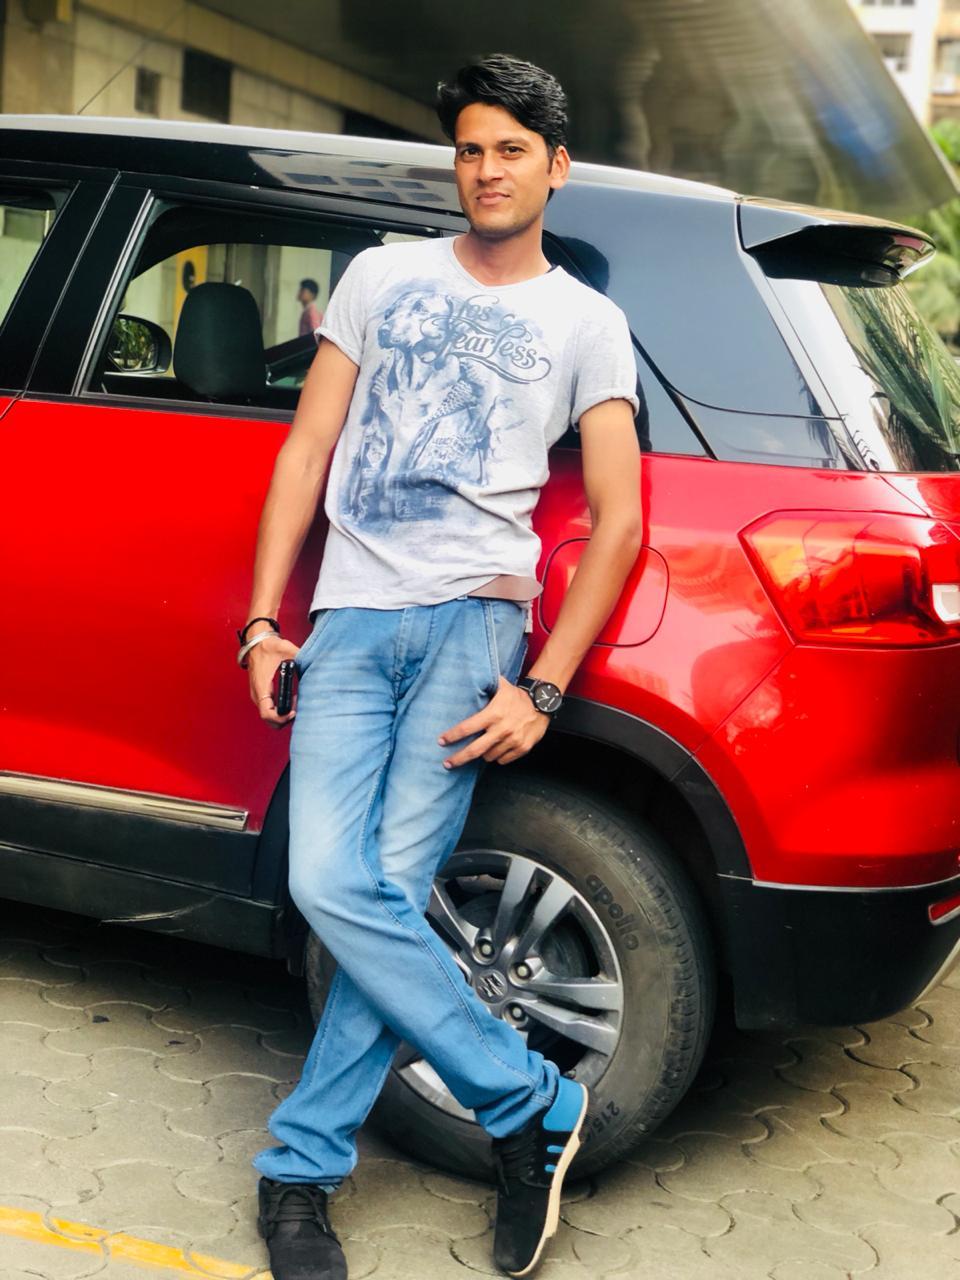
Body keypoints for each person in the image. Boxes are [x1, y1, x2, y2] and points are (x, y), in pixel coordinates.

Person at [238, 52, 643, 1280]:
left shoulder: (588, 322)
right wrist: (262, 620)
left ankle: (300, 1169)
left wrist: (545, 686)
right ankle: (531, 1099)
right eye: (470, 149)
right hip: (355, 622)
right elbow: (307, 447)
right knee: (332, 883)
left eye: (511, 150)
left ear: (556, 167)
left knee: (385, 894)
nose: (487, 170)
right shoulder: (382, 275)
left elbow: (619, 519)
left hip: (476, 635)